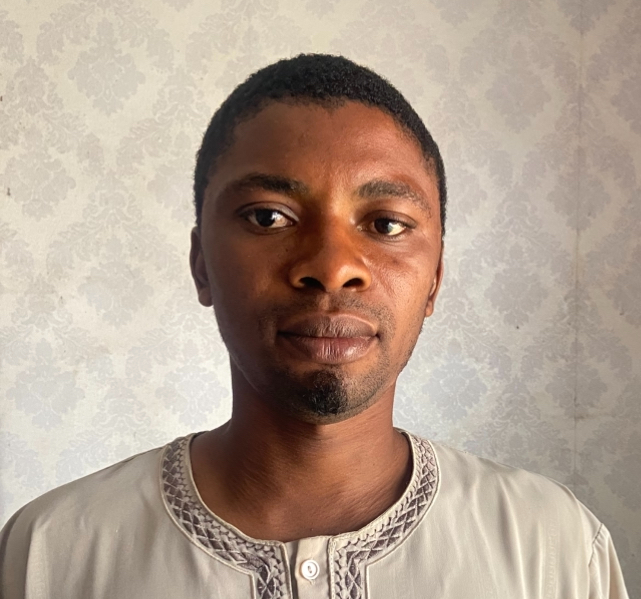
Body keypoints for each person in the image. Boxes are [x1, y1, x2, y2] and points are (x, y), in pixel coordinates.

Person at [0, 54, 629, 599]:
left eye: (385, 224)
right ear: (201, 266)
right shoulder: (49, 554)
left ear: (435, 279)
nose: (331, 267)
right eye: (268, 217)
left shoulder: (557, 548)